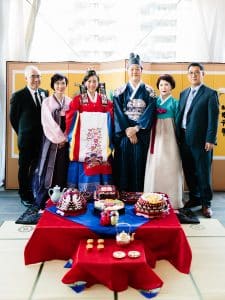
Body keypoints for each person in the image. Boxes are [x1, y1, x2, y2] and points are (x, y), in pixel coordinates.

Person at [176, 62, 219, 218]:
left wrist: (210, 139)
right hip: (184, 138)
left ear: (203, 74)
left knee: (203, 172)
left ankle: (206, 203)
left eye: (196, 72)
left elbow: (213, 119)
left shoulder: (210, 93)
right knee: (189, 171)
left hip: (202, 141)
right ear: (188, 75)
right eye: (191, 73)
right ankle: (195, 198)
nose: (193, 75)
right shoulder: (183, 93)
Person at [113, 53, 156, 192]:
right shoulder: (120, 91)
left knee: (140, 162)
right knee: (123, 162)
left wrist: (136, 128)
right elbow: (118, 112)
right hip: (125, 133)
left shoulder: (149, 91)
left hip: (141, 133)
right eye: (132, 69)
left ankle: (139, 193)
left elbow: (149, 112)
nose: (135, 72)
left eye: (137, 69)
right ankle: (124, 193)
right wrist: (127, 130)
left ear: (141, 71)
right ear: (128, 71)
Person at [66, 69, 113, 192]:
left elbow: (111, 115)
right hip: (83, 142)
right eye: (89, 81)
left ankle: (101, 191)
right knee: (83, 160)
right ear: (85, 83)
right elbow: (70, 116)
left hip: (100, 142)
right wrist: (79, 117)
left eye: (95, 81)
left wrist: (107, 117)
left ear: (98, 83)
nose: (92, 84)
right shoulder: (78, 99)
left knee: (101, 160)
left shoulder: (104, 100)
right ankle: (82, 191)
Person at [9, 65, 48, 207]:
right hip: (26, 140)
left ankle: (33, 191)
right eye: (33, 76)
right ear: (26, 78)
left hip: (41, 139)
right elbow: (13, 119)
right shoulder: (18, 96)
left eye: (38, 76)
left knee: (36, 167)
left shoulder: (45, 93)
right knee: (24, 168)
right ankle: (24, 194)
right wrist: (23, 133)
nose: (36, 79)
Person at [144, 74, 183, 209]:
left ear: (171, 86)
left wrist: (179, 138)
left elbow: (178, 121)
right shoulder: (154, 102)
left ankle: (173, 199)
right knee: (156, 164)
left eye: (166, 84)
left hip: (170, 134)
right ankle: (153, 197)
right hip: (156, 134)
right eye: (161, 85)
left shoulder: (175, 102)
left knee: (170, 164)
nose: (164, 87)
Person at [33, 73, 71, 209]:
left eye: (62, 83)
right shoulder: (47, 102)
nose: (60, 86)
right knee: (48, 169)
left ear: (66, 85)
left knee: (63, 168)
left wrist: (66, 138)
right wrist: (59, 138)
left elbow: (73, 122)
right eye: (57, 83)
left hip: (66, 142)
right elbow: (48, 123)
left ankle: (62, 200)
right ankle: (44, 200)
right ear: (53, 85)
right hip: (51, 141)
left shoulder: (70, 102)